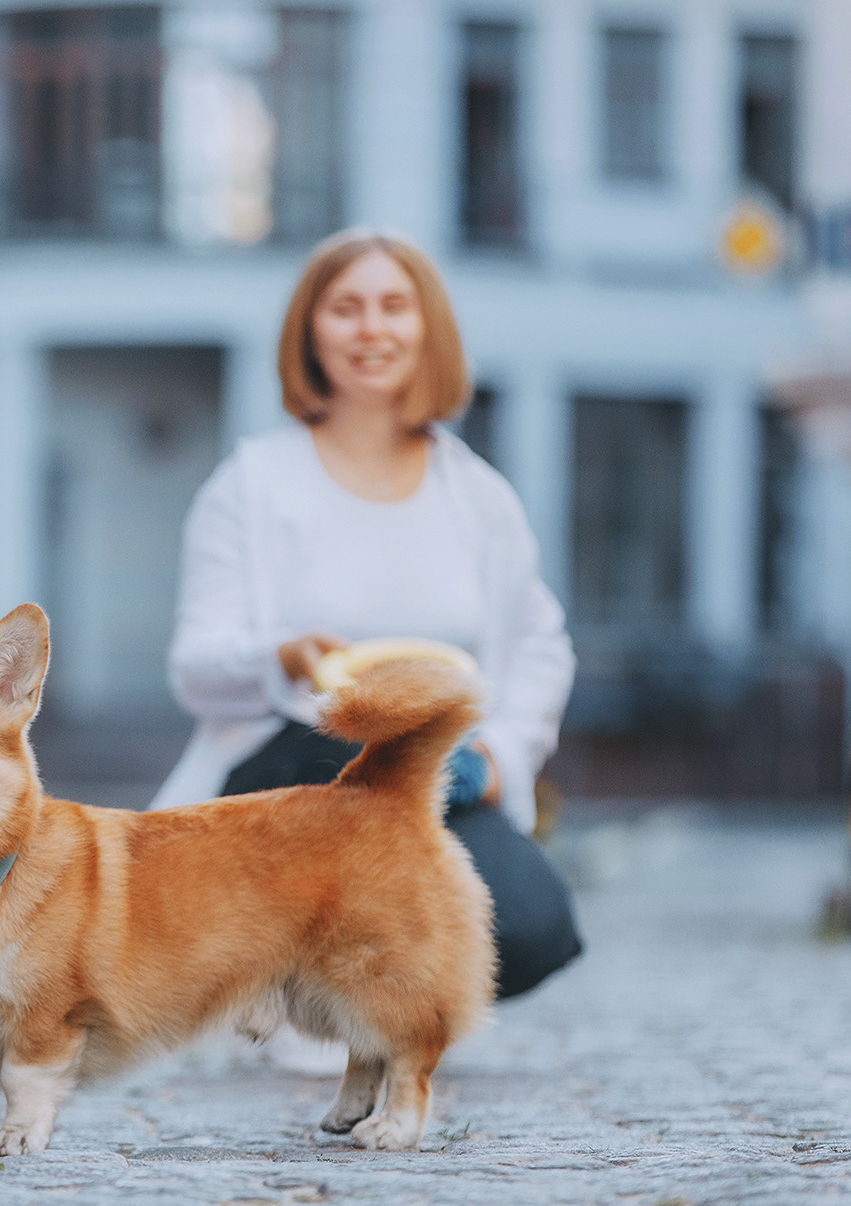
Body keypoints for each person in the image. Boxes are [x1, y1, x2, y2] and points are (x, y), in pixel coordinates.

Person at [153, 227, 581, 1001]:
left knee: (530, 925)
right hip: (296, 766)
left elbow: (541, 648)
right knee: (321, 771)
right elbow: (195, 667)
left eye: (393, 306)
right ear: (311, 331)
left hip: (432, 771)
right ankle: (299, 978)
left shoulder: (479, 497)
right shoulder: (250, 486)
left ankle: (372, 987)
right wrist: (278, 657)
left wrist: (498, 763)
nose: (372, 329)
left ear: (427, 329)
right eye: (346, 308)